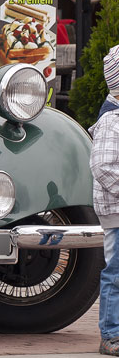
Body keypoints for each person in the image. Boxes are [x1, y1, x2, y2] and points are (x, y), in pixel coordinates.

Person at [89, 44, 119, 357]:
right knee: (117, 274)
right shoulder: (112, 120)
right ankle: (111, 334)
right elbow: (102, 166)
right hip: (117, 212)